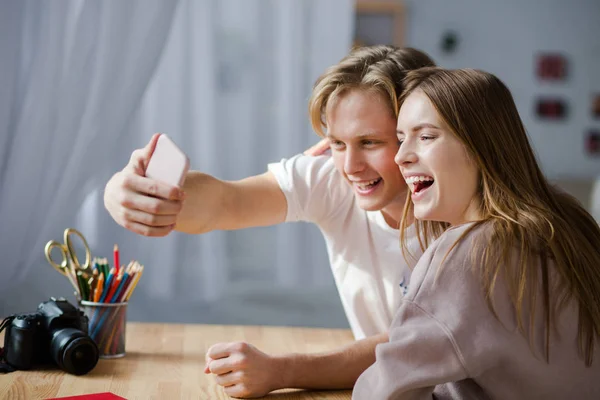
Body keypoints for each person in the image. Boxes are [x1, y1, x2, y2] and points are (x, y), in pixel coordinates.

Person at [103, 46, 436, 398]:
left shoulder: (467, 219)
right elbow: (226, 202)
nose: (350, 166)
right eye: (337, 142)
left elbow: (410, 346)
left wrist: (281, 370)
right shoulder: (332, 179)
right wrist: (126, 191)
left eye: (370, 142)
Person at [353, 67, 600, 399]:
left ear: (480, 145)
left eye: (425, 136)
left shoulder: (469, 252)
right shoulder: (569, 220)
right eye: (400, 139)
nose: (401, 156)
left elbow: (384, 394)